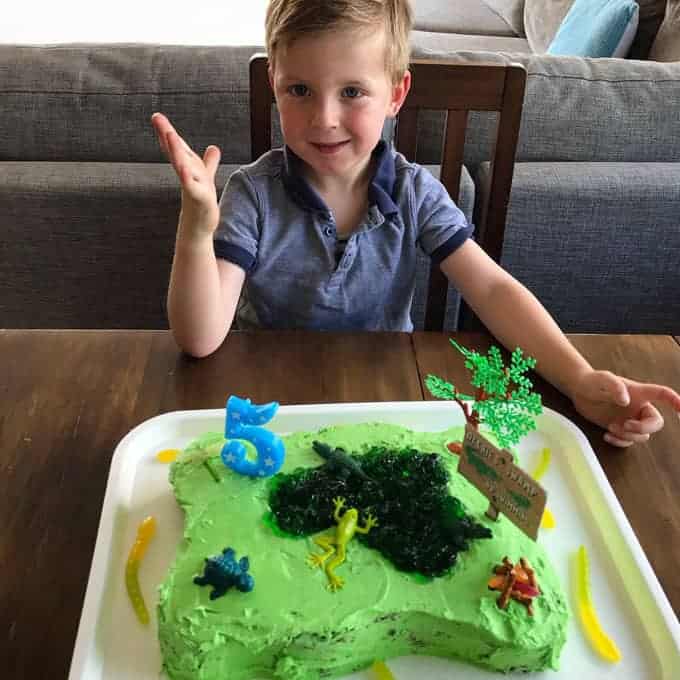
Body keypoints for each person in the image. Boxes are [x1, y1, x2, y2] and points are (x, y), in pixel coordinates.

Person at [150, 0, 680, 447]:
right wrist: (197, 229)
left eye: (352, 91)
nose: (324, 117)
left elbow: (492, 289)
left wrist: (580, 378)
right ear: (274, 83)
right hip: (268, 412)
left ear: (396, 95)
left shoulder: (414, 191)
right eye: (300, 90)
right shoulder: (252, 193)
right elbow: (200, 338)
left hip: (388, 404)